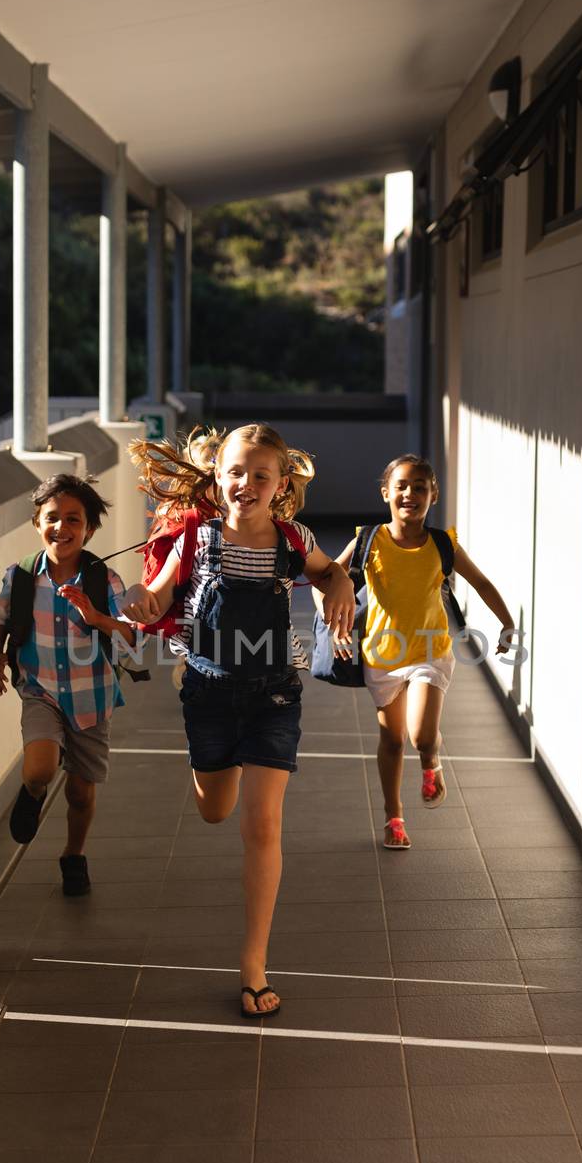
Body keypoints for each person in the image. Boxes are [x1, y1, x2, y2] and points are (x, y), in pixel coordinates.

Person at [120, 423, 356, 1016]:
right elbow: (157, 591)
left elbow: (328, 570)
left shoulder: (294, 538)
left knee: (264, 827)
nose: (246, 483)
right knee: (213, 809)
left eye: (260, 475)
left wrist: (340, 583)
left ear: (279, 485)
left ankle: (254, 964)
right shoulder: (195, 538)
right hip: (209, 693)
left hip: (276, 693)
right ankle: (206, 771)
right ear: (217, 477)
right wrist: (141, 600)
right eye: (236, 472)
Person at [322, 454, 516, 849]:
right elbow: (326, 577)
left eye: (420, 487)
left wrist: (507, 622)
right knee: (391, 740)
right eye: (402, 486)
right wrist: (336, 626)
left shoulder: (443, 544)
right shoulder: (367, 540)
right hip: (381, 655)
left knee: (421, 735)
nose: (411, 493)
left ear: (433, 495)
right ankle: (394, 818)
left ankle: (431, 760)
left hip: (430, 651)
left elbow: (481, 583)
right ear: (386, 493)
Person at [0, 473, 135, 896]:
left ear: (88, 529)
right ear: (37, 523)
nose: (62, 528)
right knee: (40, 768)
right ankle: (31, 794)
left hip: (92, 696)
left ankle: (73, 854)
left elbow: (132, 634)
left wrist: (97, 617)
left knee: (81, 794)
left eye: (74, 520)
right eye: (53, 517)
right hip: (40, 690)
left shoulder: (103, 581)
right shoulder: (20, 577)